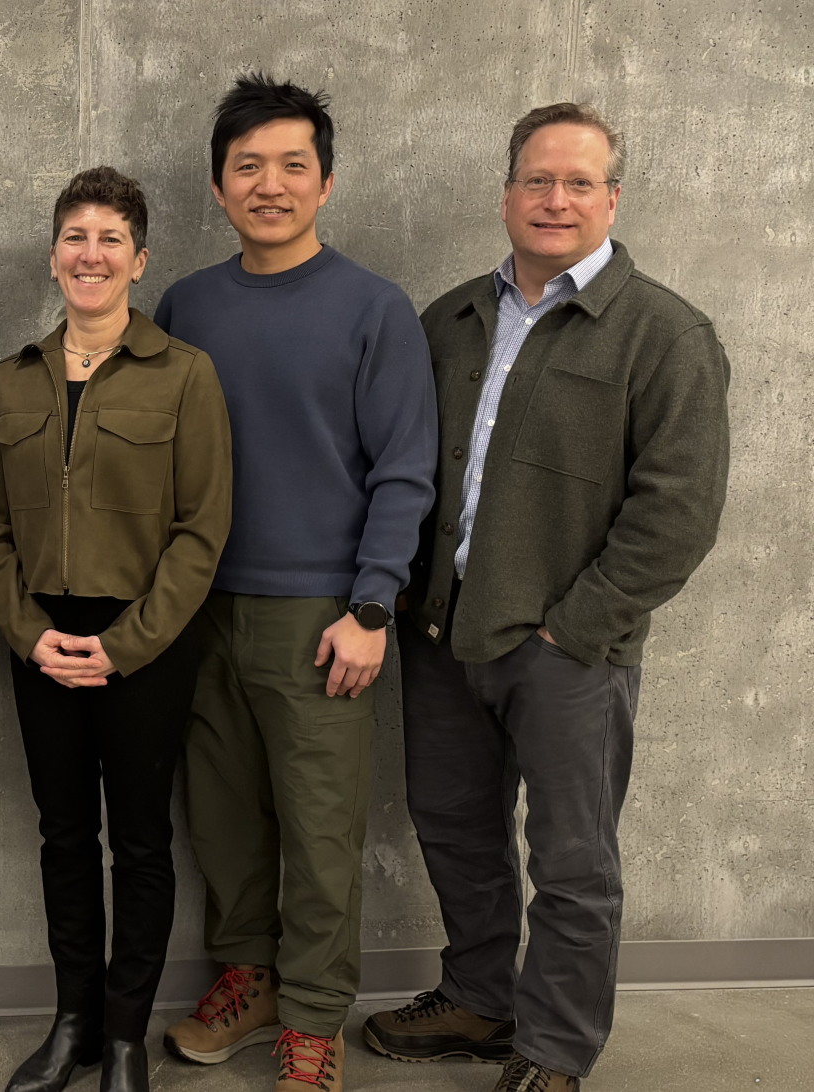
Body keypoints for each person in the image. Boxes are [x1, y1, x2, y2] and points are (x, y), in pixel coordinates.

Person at [363, 103, 730, 1092]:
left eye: (578, 182)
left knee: (572, 861)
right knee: (454, 829)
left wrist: (578, 628)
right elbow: (406, 466)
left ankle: (556, 1049)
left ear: (612, 198)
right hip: (443, 636)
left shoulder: (665, 334)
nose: (555, 199)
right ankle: (480, 1000)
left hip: (569, 649)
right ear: (507, 193)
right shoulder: (450, 319)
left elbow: (679, 511)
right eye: (537, 179)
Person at [153, 75, 438, 1091]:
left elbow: (405, 469)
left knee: (320, 831)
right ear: (218, 187)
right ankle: (251, 979)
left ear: (325, 182)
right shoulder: (187, 304)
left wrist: (371, 606)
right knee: (222, 817)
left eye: (291, 166)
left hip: (322, 617)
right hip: (197, 609)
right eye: (248, 167)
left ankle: (315, 1018)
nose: (269, 185)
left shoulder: (373, 309)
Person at [0, 166, 232, 1092]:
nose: (91, 254)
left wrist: (124, 646)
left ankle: (124, 1035)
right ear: (53, 257)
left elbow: (202, 530)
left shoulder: (186, 375)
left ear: (139, 259)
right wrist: (29, 634)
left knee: (143, 843)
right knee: (64, 836)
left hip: (146, 642)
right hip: (40, 640)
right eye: (75, 238)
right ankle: (73, 1023)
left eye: (110, 239)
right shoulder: (12, 382)